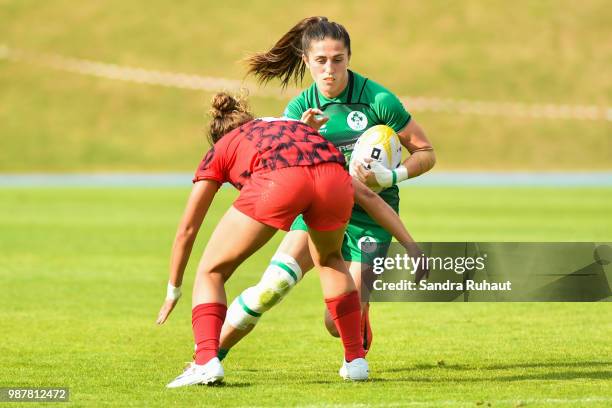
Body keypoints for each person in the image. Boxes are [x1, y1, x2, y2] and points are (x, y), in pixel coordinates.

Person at [157, 91, 417, 387]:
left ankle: (205, 361)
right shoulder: (293, 128)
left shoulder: (224, 146)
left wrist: (173, 288)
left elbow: (188, 229)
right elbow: (367, 194)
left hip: (281, 183)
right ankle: (355, 361)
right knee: (330, 260)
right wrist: (412, 246)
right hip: (332, 176)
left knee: (211, 271)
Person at [218, 16, 435, 361]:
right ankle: (208, 357)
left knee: (337, 323)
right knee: (272, 286)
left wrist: (389, 178)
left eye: (338, 59)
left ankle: (358, 317)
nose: (329, 69)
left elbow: (425, 152)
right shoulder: (300, 108)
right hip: (320, 210)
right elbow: (285, 173)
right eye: (320, 61)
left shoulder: (378, 100)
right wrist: (302, 136)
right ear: (306, 61)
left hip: (370, 218)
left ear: (349, 57)